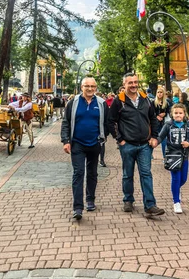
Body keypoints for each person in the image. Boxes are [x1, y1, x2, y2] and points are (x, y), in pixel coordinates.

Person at [109, 72, 165, 216]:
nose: (133, 85)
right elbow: (111, 121)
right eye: (130, 83)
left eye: (135, 82)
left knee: (146, 174)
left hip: (145, 145)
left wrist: (154, 137)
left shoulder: (146, 99)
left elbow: (153, 118)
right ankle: (128, 200)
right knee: (128, 174)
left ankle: (150, 205)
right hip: (127, 145)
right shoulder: (118, 101)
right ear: (124, 85)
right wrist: (120, 139)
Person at [60, 77, 112, 220]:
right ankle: (77, 207)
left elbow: (107, 122)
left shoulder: (101, 103)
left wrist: (103, 136)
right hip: (77, 143)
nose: (90, 89)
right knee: (78, 173)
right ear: (81, 87)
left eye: (92, 86)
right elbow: (66, 122)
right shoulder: (73, 102)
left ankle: (90, 199)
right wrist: (65, 140)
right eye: (87, 86)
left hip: (95, 144)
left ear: (96, 88)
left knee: (92, 173)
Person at [157, 103, 189, 214]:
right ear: (172, 114)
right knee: (175, 178)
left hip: (184, 156)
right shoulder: (168, 125)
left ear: (184, 114)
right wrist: (155, 142)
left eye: (180, 113)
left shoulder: (188, 126)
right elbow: (161, 136)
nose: (178, 115)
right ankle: (176, 202)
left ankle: (176, 190)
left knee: (183, 179)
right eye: (176, 113)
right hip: (172, 156)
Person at [154, 87, 171, 157]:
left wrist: (164, 114)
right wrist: (157, 116)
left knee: (163, 140)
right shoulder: (153, 102)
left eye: (161, 92)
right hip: (155, 124)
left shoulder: (166, 103)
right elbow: (151, 112)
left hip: (163, 124)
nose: (159, 94)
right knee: (153, 139)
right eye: (158, 92)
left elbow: (168, 111)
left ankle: (165, 156)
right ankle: (150, 155)